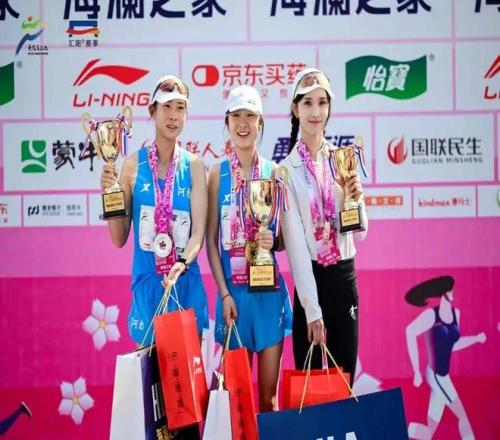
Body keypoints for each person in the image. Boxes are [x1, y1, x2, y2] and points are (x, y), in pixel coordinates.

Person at [100, 74, 209, 347]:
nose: (173, 115)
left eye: (180, 108)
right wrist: (109, 195)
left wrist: (181, 264)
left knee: (186, 376)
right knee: (148, 375)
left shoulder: (195, 166)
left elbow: (198, 234)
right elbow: (118, 238)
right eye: (167, 107)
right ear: (152, 111)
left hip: (184, 284)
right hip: (148, 287)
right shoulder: (132, 165)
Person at [206, 85, 292, 412]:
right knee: (233, 401)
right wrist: (224, 294)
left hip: (269, 295)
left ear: (260, 123)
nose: (243, 124)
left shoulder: (275, 173)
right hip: (234, 300)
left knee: (269, 400)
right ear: (227, 122)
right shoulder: (217, 175)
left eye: (250, 116)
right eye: (236, 116)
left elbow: (284, 239)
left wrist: (274, 241)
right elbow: (211, 242)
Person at [280, 67, 367, 385]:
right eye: (308, 103)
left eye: (322, 102)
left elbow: (361, 232)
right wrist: (312, 311)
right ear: (295, 109)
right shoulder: (286, 170)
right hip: (311, 282)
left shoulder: (343, 159)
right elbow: (295, 247)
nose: (316, 112)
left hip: (344, 278)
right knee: (311, 388)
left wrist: (355, 200)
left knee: (345, 382)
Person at [405, 276, 487, 440]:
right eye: (450, 290)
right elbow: (410, 331)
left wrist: (475, 339)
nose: (453, 293)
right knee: (463, 417)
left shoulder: (456, 314)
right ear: (443, 293)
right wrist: (416, 372)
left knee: (429, 433)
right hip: (436, 376)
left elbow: (453, 345)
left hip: (444, 376)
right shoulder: (431, 316)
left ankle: (405, 429)